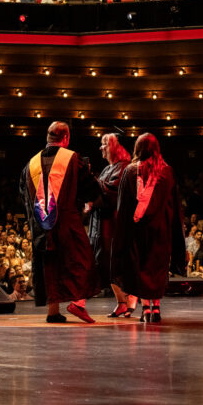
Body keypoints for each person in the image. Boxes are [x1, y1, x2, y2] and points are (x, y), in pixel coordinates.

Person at [19, 121, 101, 323]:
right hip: (67, 224)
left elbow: (23, 197)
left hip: (40, 228)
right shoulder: (73, 159)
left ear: (48, 138)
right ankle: (77, 302)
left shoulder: (30, 164)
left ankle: (52, 312)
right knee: (83, 261)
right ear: (66, 138)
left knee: (49, 266)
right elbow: (91, 189)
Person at [112, 133, 186, 323]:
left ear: (137, 149)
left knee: (142, 268)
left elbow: (123, 208)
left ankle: (146, 309)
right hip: (161, 230)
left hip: (137, 231)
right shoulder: (167, 172)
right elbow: (174, 205)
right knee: (157, 268)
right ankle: (156, 309)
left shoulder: (129, 171)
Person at [87, 133, 133, 317]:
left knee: (114, 264)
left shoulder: (123, 169)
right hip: (102, 224)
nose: (101, 148)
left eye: (104, 144)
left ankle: (129, 300)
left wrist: (90, 181)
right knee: (106, 266)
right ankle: (122, 302)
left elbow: (109, 194)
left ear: (115, 146)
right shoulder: (110, 168)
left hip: (113, 225)